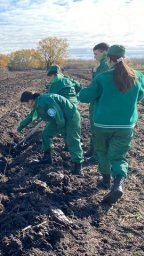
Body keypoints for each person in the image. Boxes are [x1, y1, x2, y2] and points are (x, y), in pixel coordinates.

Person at [78, 45, 144, 204]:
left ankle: (105, 179)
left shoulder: (102, 78)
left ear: (109, 59)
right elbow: (140, 96)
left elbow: (85, 97)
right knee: (119, 156)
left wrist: (82, 91)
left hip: (102, 124)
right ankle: (118, 184)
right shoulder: (138, 76)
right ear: (124, 58)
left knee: (102, 151)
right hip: (126, 126)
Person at [17, 65, 82, 157]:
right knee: (51, 132)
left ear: (56, 74)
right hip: (70, 106)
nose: (49, 79)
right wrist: (75, 98)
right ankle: (52, 154)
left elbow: (55, 109)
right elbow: (79, 87)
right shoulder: (69, 80)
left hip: (67, 111)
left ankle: (77, 166)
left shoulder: (53, 87)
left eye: (50, 76)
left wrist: (60, 125)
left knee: (71, 136)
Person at [19, 91, 84, 175]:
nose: (25, 106)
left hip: (70, 117)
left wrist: (62, 130)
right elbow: (31, 116)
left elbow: (58, 116)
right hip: (59, 119)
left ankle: (78, 168)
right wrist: (20, 127)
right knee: (46, 134)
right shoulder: (37, 105)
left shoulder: (46, 101)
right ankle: (47, 158)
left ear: (30, 101)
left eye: (25, 104)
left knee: (72, 140)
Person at [85, 43, 110, 161]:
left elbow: (97, 86)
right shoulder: (101, 66)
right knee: (94, 128)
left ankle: (96, 155)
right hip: (98, 103)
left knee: (97, 129)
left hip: (99, 103)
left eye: (96, 54)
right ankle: (92, 150)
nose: (94, 56)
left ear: (104, 52)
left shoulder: (104, 66)